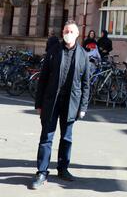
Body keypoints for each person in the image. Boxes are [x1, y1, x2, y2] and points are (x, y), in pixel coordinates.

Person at [30, 20, 90, 190]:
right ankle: (42, 172)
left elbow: (86, 84)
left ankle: (63, 169)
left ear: (77, 34)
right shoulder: (53, 51)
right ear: (62, 32)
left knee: (66, 138)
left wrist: (83, 107)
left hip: (71, 103)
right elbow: (43, 79)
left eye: (71, 31)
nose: (68, 34)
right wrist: (38, 104)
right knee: (46, 137)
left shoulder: (84, 55)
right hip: (51, 101)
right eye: (66, 31)